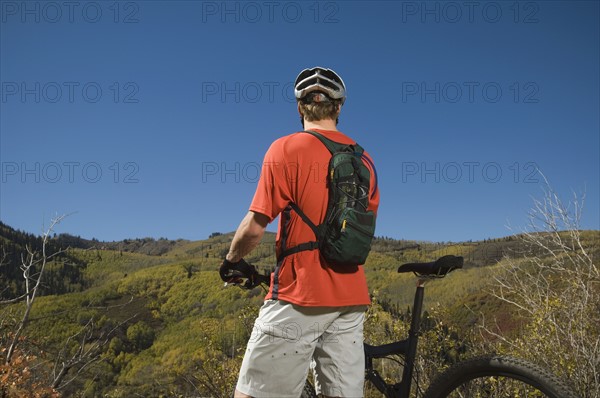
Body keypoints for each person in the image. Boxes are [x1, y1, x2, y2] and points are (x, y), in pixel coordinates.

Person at [221, 67, 380, 398]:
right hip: (350, 301)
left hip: (299, 295)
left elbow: (254, 226)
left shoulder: (285, 149)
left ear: (299, 108)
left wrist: (232, 259)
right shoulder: (365, 161)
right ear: (339, 108)